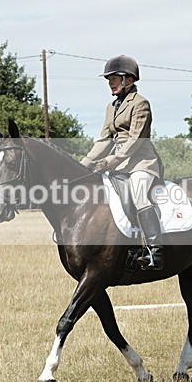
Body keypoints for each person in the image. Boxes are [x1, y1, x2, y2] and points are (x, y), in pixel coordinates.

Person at [80, 55, 165, 270]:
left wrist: (110, 160)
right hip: (118, 166)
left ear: (128, 79)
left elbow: (135, 140)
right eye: (108, 79)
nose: (110, 82)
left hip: (141, 163)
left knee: (138, 193)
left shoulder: (141, 104)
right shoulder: (112, 107)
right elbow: (104, 140)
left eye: (114, 78)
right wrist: (84, 163)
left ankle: (156, 250)